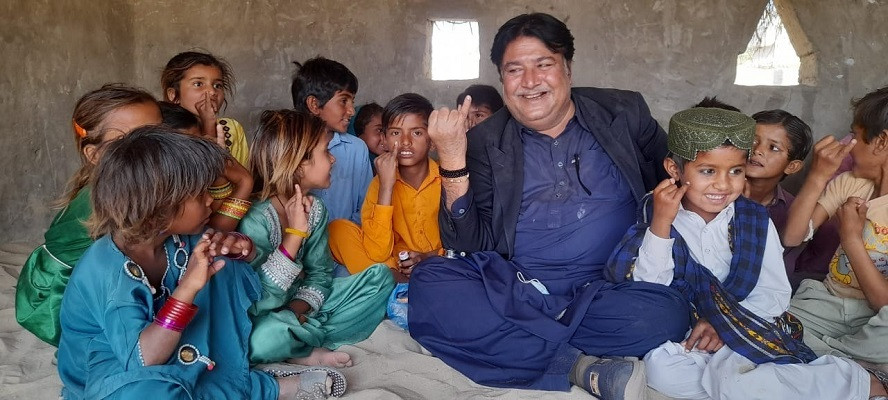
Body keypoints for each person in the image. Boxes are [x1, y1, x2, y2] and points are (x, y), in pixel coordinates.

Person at [408, 13, 691, 399]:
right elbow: (468, 243)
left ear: (568, 69)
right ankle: (577, 366)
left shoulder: (624, 113)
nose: (530, 82)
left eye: (544, 65)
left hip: (613, 286)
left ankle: (526, 343)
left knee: (666, 314)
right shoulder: (486, 141)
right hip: (519, 286)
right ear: (502, 79)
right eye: (514, 70)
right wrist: (453, 158)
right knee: (430, 285)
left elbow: (678, 182)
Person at [607, 107, 884, 399]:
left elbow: (773, 294)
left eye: (736, 171)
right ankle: (797, 384)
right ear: (674, 169)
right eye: (707, 171)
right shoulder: (656, 209)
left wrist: (722, 323)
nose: (723, 184)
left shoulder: (753, 219)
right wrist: (661, 225)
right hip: (687, 333)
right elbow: (648, 290)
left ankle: (856, 381)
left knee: (731, 378)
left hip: (750, 327)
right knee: (661, 370)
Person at [57, 126, 347, 399]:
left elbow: (244, 276)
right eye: (200, 194)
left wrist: (241, 249)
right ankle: (262, 388)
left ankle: (238, 379)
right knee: (150, 393)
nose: (211, 200)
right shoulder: (106, 268)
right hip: (115, 370)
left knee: (221, 264)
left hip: (177, 348)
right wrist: (187, 289)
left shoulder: (175, 238)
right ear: (160, 209)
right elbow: (144, 359)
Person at [239, 110, 394, 367]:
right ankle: (300, 345)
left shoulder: (317, 209)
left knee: (380, 278)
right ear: (299, 163)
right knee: (261, 339)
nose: (333, 159)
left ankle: (298, 343)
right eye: (325, 151)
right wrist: (295, 235)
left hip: (304, 306)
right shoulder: (255, 218)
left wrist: (298, 310)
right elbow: (258, 303)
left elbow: (320, 275)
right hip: (265, 319)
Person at [15, 84, 162, 346]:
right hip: (57, 295)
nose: (155, 148)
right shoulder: (115, 196)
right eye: (134, 141)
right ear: (94, 154)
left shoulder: (137, 180)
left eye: (159, 135)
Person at [783, 87, 888, 368]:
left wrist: (851, 238)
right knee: (771, 323)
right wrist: (818, 175)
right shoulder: (852, 184)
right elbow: (793, 236)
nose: (849, 143)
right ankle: (852, 367)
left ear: (881, 142)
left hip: (876, 320)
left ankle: (826, 359)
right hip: (826, 302)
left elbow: (883, 304)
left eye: (855, 135)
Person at [328, 93, 442, 278]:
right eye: (396, 133)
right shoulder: (378, 184)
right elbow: (378, 252)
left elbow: (462, 243)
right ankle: (394, 278)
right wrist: (386, 187)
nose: (405, 141)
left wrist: (428, 257)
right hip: (395, 264)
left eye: (417, 132)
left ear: (432, 140)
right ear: (385, 140)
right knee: (337, 230)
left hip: (439, 261)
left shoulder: (445, 180)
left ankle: (387, 280)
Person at [745, 109, 840, 290]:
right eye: (752, 141)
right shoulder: (717, 195)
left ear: (792, 166)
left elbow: (780, 272)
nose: (757, 151)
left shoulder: (794, 211)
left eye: (773, 147)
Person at [291, 57, 373, 224]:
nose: (351, 110)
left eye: (352, 101)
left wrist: (342, 238)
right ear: (314, 104)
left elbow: (367, 207)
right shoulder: (289, 149)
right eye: (343, 101)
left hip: (347, 241)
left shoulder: (356, 149)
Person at [159, 101, 255, 232]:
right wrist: (244, 181)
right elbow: (215, 231)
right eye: (189, 147)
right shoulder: (167, 185)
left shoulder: (195, 174)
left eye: (199, 145)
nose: (198, 153)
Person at [161, 51, 250, 167]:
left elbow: (244, 178)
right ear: (173, 95)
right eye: (198, 84)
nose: (212, 92)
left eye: (218, 85)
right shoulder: (163, 133)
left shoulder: (232, 128)